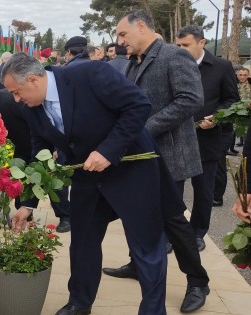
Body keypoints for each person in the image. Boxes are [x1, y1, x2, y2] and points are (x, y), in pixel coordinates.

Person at [3, 52, 180, 315]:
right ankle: (79, 302)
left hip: (130, 170)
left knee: (146, 245)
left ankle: (153, 310)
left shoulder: (90, 74)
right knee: (83, 242)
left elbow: (138, 105)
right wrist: (28, 204)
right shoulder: (31, 108)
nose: (16, 100)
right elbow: (39, 153)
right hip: (88, 179)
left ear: (33, 80)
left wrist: (109, 150)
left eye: (17, 92)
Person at [103, 10, 211, 313]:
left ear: (141, 27)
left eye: (123, 34)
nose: (120, 41)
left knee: (174, 224)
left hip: (170, 157)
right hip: (140, 157)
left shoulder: (174, 56)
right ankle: (139, 265)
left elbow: (191, 99)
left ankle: (198, 281)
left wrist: (141, 129)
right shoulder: (133, 62)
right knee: (137, 216)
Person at [0, 82, 71, 232]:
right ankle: (24, 213)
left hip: (45, 144)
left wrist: (56, 147)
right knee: (17, 178)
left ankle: (65, 216)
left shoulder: (10, 100)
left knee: (52, 178)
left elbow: (43, 121)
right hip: (23, 147)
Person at [174, 25, 239, 246]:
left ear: (202, 43)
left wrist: (218, 117)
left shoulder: (221, 67)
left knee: (203, 191)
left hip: (207, 139)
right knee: (173, 189)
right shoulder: (173, 64)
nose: (181, 50)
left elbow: (232, 100)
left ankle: (197, 233)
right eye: (178, 45)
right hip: (177, 137)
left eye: (186, 45)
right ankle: (173, 234)